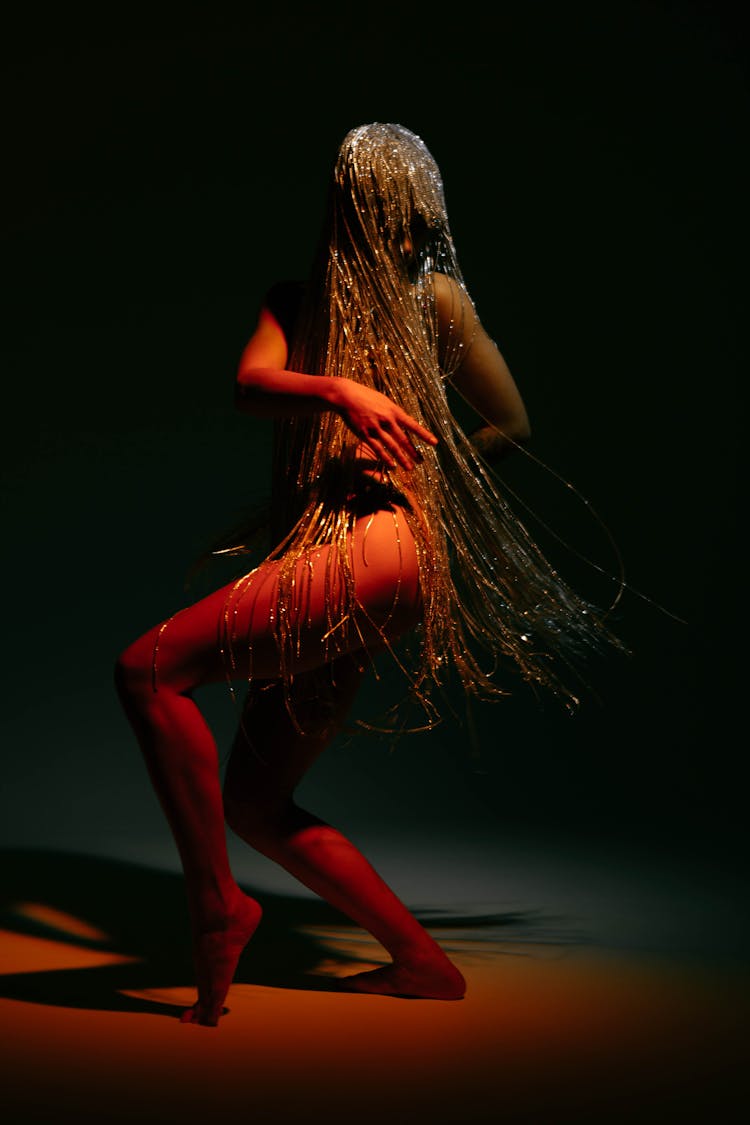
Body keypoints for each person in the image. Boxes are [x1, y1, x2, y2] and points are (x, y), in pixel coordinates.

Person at [115, 123, 617, 1027]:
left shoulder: (439, 305)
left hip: (379, 546)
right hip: (340, 557)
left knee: (148, 671)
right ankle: (423, 964)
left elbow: (510, 425)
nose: (401, 222)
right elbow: (250, 384)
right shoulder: (295, 302)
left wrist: (417, 470)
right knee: (258, 804)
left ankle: (218, 909)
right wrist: (341, 391)